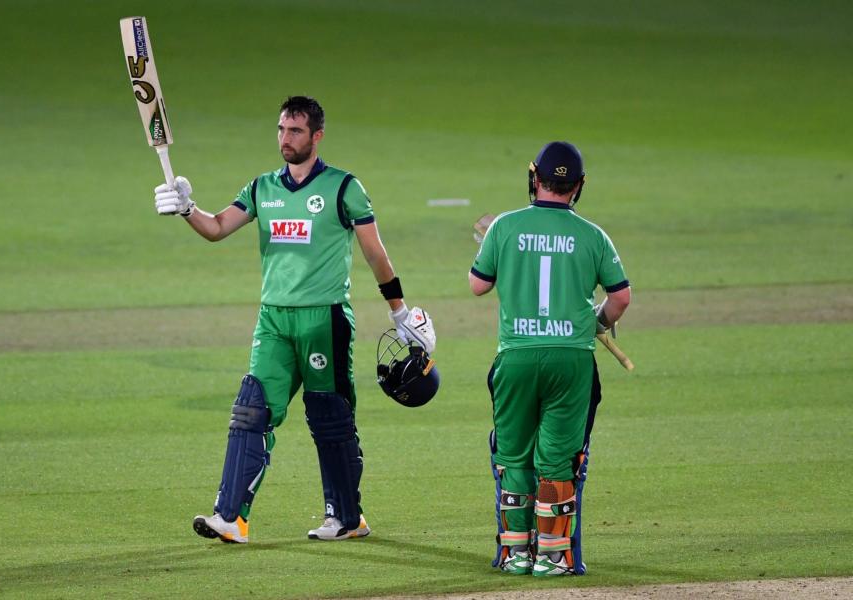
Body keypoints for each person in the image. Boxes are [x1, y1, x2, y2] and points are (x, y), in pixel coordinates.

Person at [153, 96, 436, 544]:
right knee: (250, 411)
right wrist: (188, 209)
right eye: (282, 130)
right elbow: (217, 228)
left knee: (331, 419)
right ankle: (230, 517)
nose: (286, 139)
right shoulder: (262, 188)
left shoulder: (345, 188)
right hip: (273, 320)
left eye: (296, 131)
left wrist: (398, 309)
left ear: (317, 135)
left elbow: (374, 251)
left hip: (325, 319)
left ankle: (346, 518)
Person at [468, 141, 630, 576]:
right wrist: (596, 320)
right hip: (571, 359)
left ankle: (516, 552)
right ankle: (553, 556)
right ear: (578, 186)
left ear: (534, 177)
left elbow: (478, 285)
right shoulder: (594, 236)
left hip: (516, 356)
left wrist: (497, 254)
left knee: (514, 456)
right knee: (557, 459)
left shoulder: (504, 227)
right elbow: (621, 298)